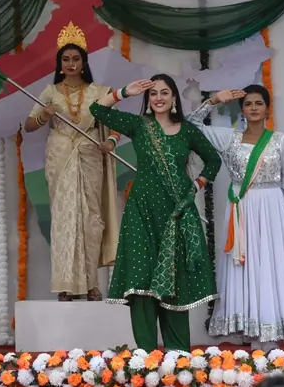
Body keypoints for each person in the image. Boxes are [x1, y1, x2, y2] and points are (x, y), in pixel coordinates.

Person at [89, 75, 221, 351]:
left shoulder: (186, 131)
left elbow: (213, 160)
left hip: (176, 214)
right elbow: (97, 110)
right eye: (153, 94)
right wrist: (125, 90)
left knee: (174, 281)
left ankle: (177, 355)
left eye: (165, 93)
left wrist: (196, 185)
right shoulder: (138, 125)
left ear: (174, 98)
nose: (158, 98)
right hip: (141, 212)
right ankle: (145, 355)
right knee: (141, 282)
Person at [189, 85, 284, 350]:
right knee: (243, 266)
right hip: (241, 210)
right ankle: (251, 334)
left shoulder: (280, 141)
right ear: (242, 109)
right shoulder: (229, 139)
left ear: (267, 108)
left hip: (273, 210)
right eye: (248, 104)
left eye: (259, 103)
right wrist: (213, 100)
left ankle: (270, 333)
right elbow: (191, 125)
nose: (254, 108)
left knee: (270, 267)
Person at [23, 22, 120, 302]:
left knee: (90, 220)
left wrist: (110, 142)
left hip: (90, 155)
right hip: (60, 156)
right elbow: (29, 125)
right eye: (65, 59)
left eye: (76, 59)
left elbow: (115, 125)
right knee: (64, 220)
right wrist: (44, 116)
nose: (71, 64)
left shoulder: (99, 92)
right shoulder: (50, 92)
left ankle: (91, 284)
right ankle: (65, 285)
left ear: (84, 62)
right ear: (59, 63)